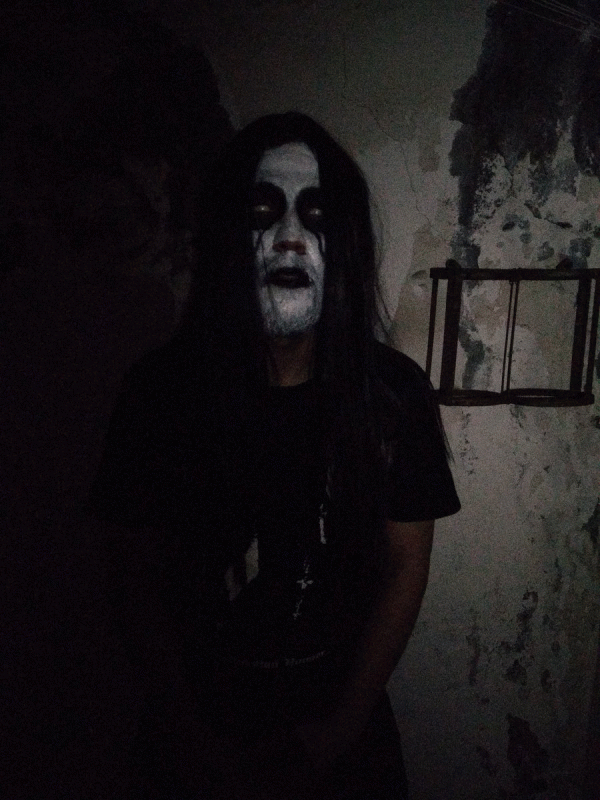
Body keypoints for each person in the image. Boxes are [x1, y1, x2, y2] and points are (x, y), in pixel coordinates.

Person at [89, 112, 460, 799]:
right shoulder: (159, 394)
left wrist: (337, 734)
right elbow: (132, 578)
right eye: (263, 212)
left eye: (317, 216)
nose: (290, 238)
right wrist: (191, 740)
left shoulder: (391, 396)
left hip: (344, 743)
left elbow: (406, 565)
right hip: (190, 740)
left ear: (346, 243)